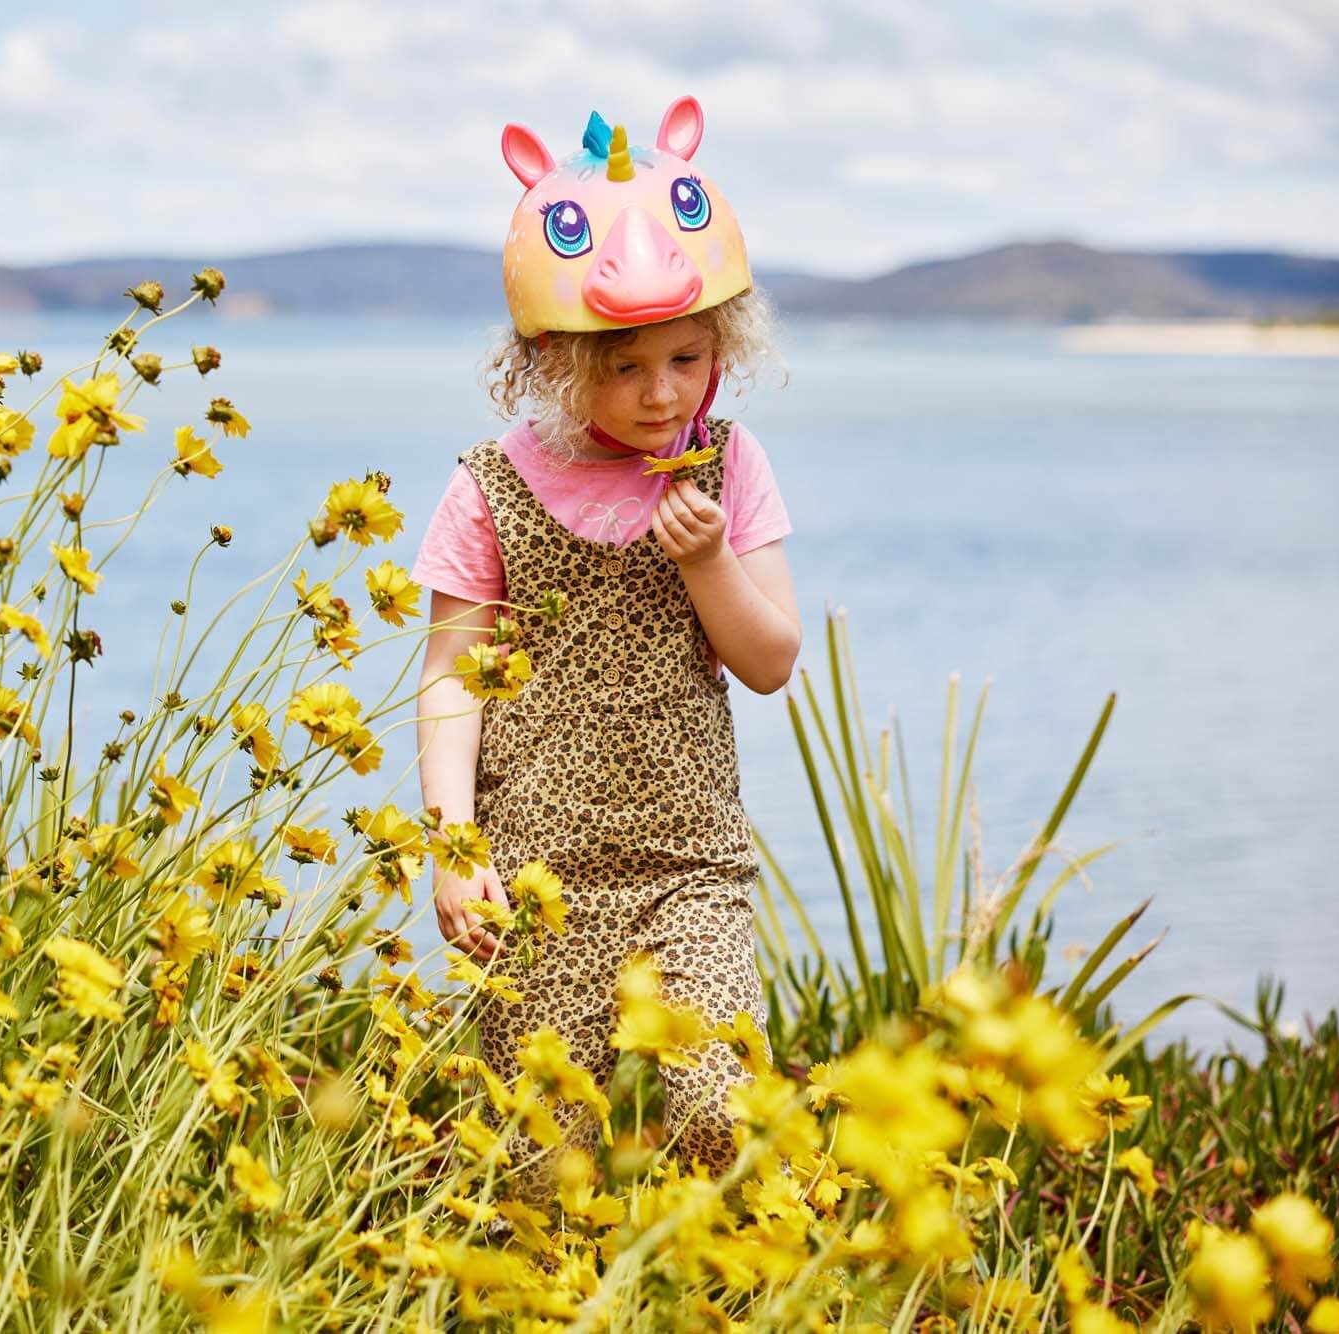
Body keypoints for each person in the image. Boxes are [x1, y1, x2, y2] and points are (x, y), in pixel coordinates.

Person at [410, 97, 801, 1216]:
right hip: (537, 879)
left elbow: (769, 661)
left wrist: (710, 561)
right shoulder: (486, 485)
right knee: (541, 1161)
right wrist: (450, 843)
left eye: (684, 358)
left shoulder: (726, 468)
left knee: (718, 1106)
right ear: (550, 358)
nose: (662, 391)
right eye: (623, 366)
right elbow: (448, 675)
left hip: (688, 864)